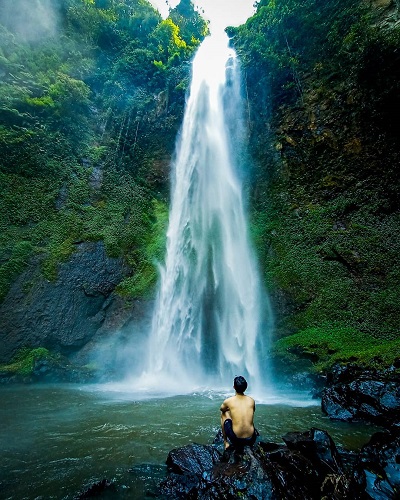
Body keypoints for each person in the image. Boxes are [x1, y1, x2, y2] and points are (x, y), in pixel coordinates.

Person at [220, 375, 257, 450]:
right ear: (246, 387)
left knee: (224, 414)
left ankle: (225, 442)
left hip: (237, 440)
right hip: (251, 440)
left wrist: (230, 408)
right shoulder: (251, 400)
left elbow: (222, 409)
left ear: (234, 387)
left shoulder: (229, 401)